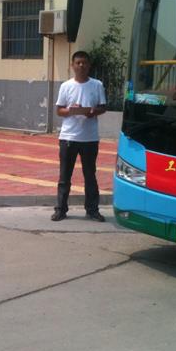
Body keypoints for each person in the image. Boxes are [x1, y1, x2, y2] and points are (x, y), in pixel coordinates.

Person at [51, 50, 106, 222]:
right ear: (72, 65)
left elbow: (103, 107)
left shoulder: (97, 85)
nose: (81, 65)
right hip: (68, 137)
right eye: (78, 63)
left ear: (89, 65)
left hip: (90, 138)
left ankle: (92, 210)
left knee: (90, 176)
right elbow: (59, 110)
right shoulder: (66, 86)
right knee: (64, 176)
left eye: (84, 63)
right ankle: (61, 210)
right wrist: (70, 110)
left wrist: (93, 111)